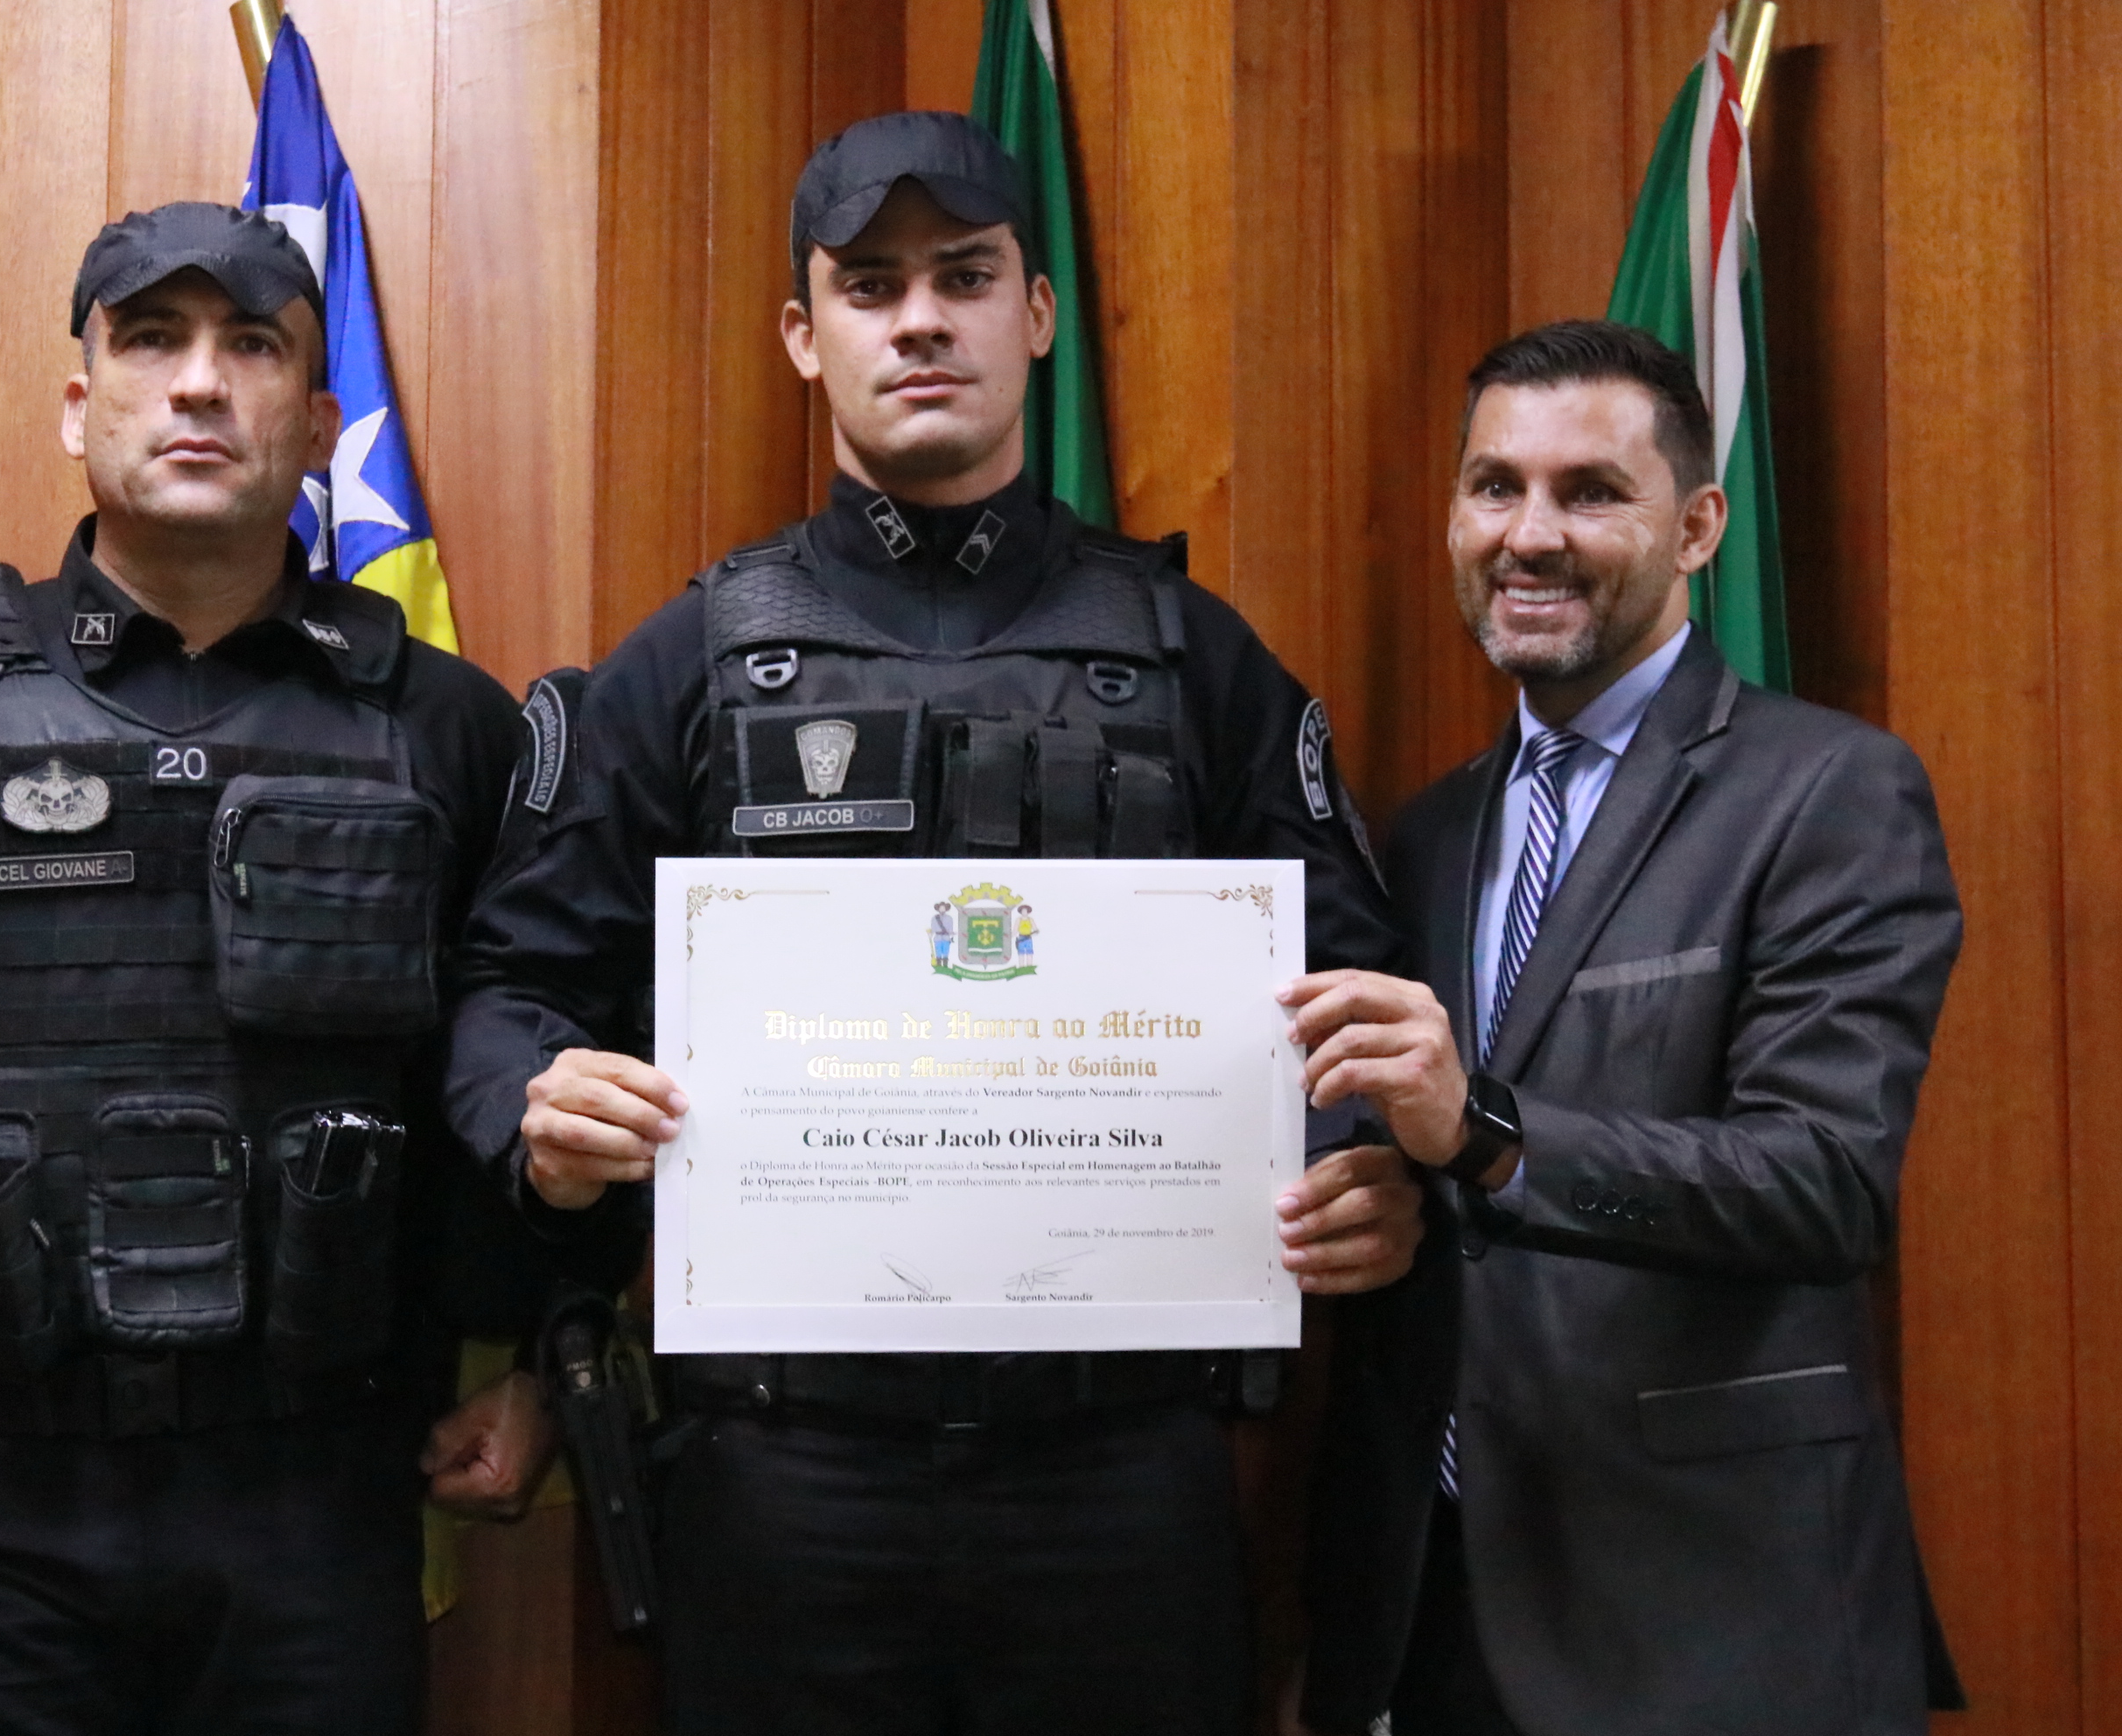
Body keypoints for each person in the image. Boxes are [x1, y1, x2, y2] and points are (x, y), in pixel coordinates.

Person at [446, 110, 1424, 1735]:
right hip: (782, 1469)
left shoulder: (1195, 657)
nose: (920, 321)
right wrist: (540, 1114)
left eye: (965, 277)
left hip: (1121, 1467)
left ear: (1036, 314)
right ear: (803, 334)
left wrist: (1361, 1161)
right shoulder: (688, 662)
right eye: (872, 285)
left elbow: (1354, 987)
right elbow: (508, 992)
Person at [0, 201, 583, 1735]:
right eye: (150, 340)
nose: (199, 383)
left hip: (318, 1514)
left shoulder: (448, 732)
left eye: (251, 345)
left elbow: (534, 1060)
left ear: (317, 425)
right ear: (81, 405)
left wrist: (537, 1359)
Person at [1284, 320, 1965, 1736]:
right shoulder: (1431, 831)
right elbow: (1435, 1185)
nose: (1529, 534)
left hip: (1708, 1620)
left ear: (1699, 528)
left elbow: (1824, 1184)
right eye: (1495, 487)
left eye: (1590, 491)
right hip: (1437, 1611)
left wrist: (1484, 1133)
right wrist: (1378, 1195)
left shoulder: (1829, 793)